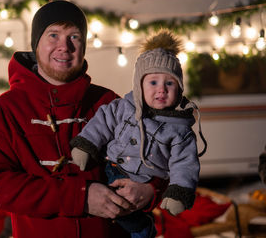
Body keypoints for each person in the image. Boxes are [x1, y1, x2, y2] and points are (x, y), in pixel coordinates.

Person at [0, 0, 168, 238]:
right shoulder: (5, 111)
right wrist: (79, 197)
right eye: (53, 35)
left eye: (74, 37)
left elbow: (158, 155)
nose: (64, 47)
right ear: (36, 44)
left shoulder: (108, 103)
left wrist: (151, 188)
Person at [70, 29, 207, 237]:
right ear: (139, 85)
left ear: (179, 91)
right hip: (112, 168)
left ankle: (143, 229)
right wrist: (86, 144)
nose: (161, 89)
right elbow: (102, 123)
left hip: (145, 180)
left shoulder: (180, 131)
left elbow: (184, 164)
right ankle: (138, 226)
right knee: (103, 199)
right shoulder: (123, 108)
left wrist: (179, 191)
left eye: (169, 83)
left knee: (128, 215)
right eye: (153, 82)